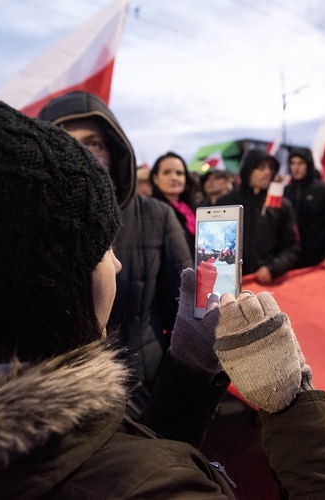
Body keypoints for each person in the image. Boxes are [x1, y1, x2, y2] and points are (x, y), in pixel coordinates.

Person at [0, 81, 325, 499]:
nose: (116, 258)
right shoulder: (150, 490)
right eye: (99, 246)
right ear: (50, 277)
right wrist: (290, 404)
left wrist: (188, 368)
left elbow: (118, 453)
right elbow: (131, 471)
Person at [38, 91, 192, 417]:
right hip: (57, 406)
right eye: (64, 140)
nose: (80, 152)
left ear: (113, 150)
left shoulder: (157, 216)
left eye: (94, 142)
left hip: (144, 392)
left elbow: (185, 309)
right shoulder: (29, 225)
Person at [216, 149, 300, 284]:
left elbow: (292, 247)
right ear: (248, 170)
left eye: (271, 168)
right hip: (229, 283)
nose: (268, 172)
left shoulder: (281, 205)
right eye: (261, 168)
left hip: (267, 283)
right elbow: (214, 243)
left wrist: (272, 268)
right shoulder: (226, 202)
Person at [283, 150, 325, 269]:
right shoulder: (285, 191)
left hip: (317, 259)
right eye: (293, 163)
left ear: (308, 165)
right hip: (289, 259)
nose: (296, 168)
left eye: (300, 163)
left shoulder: (322, 190)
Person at [150, 151, 198, 258]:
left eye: (179, 173)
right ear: (155, 179)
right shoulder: (150, 211)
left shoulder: (193, 208)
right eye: (167, 172)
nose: (174, 177)